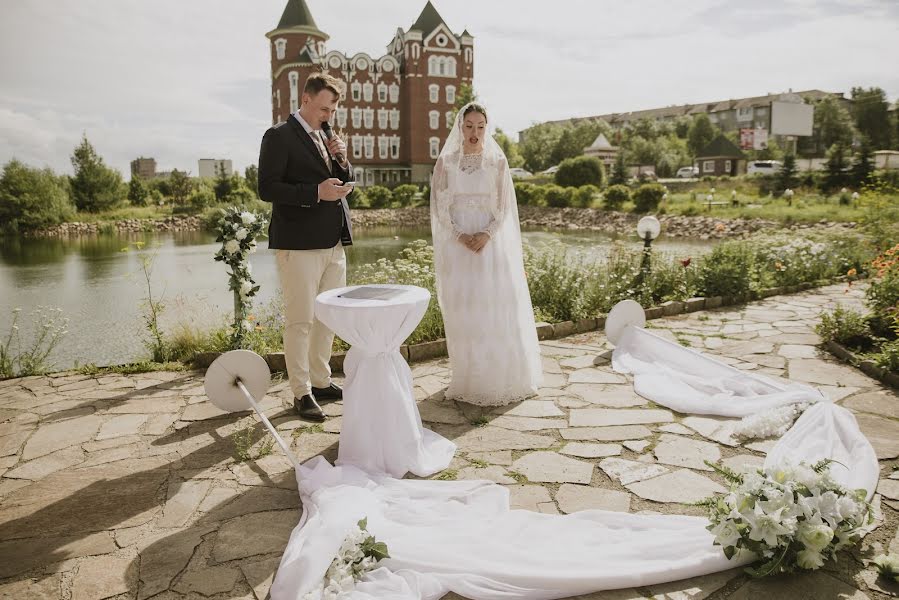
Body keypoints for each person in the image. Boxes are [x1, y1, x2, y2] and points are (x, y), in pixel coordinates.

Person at [429, 103, 542, 406]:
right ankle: (468, 377)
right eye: (469, 125)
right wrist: (458, 235)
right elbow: (439, 207)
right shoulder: (446, 162)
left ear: (486, 128)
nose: (474, 132)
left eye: (480, 126)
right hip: (459, 245)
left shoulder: (497, 162)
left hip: (489, 245)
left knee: (493, 309)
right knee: (464, 311)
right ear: (460, 126)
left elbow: (504, 208)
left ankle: (499, 377)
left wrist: (486, 235)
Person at [258, 72, 354, 422]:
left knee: (327, 319)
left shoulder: (327, 137)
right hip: (298, 245)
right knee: (300, 321)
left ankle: (321, 379)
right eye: (325, 109)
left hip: (333, 243)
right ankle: (301, 393)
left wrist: (342, 161)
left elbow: (341, 183)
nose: (329, 116)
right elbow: (267, 188)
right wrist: (315, 192)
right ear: (306, 99)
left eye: (333, 110)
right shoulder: (278, 136)